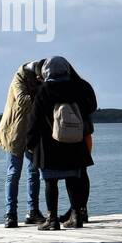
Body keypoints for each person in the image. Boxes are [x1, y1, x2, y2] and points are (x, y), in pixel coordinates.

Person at [25, 56, 97, 230]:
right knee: (73, 180)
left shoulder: (44, 90)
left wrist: (30, 142)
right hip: (74, 142)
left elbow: (34, 119)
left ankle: (52, 219)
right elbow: (90, 108)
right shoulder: (78, 88)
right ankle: (76, 216)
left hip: (48, 145)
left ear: (47, 71)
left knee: (51, 182)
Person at [0, 60, 46, 228]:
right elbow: (23, 101)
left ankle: (33, 212)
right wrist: (44, 92)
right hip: (14, 132)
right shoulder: (18, 78)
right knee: (13, 173)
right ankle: (11, 214)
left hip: (32, 133)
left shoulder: (39, 81)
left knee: (34, 172)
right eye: (39, 75)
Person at [57, 59, 97, 228]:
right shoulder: (84, 85)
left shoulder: (63, 87)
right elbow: (93, 107)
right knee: (83, 172)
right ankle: (81, 209)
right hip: (86, 133)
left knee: (72, 173)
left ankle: (76, 209)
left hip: (70, 134)